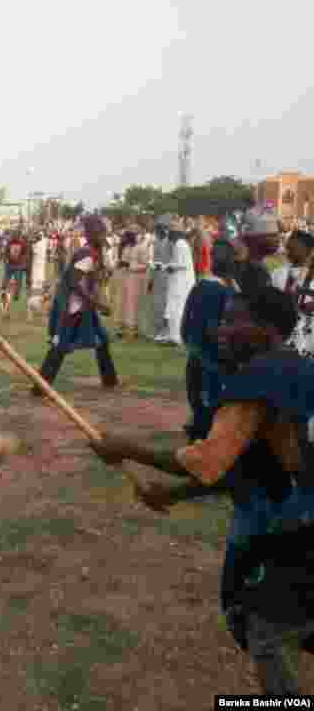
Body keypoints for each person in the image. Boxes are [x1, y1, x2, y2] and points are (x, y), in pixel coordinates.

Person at [90, 287, 314, 696]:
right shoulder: (297, 367)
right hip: (289, 517)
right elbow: (242, 466)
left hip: (289, 530)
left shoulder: (256, 382)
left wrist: (125, 449)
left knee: (265, 629)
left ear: (266, 329)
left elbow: (209, 460)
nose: (221, 330)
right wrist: (176, 495)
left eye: (234, 321)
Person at [34, 215, 118, 394]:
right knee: (60, 345)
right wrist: (99, 305)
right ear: (90, 234)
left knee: (102, 340)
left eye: (104, 232)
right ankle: (40, 387)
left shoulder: (95, 252)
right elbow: (73, 283)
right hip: (72, 307)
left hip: (84, 305)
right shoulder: (86, 254)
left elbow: (94, 278)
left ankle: (110, 379)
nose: (103, 236)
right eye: (100, 232)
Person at [180, 240, 239, 441]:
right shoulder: (216, 290)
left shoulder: (204, 286)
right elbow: (212, 329)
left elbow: (186, 327)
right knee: (208, 407)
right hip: (212, 360)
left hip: (200, 357)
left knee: (201, 405)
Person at [271, 229, 314, 357]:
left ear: (308, 249)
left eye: (294, 247)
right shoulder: (278, 273)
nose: (288, 250)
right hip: (283, 336)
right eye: (288, 246)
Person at [157, 219, 196, 346]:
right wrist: (165, 266)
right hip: (177, 281)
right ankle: (172, 336)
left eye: (170, 232)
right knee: (173, 309)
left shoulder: (180, 244)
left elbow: (181, 265)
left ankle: (177, 338)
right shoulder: (179, 244)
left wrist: (165, 267)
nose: (168, 235)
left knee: (177, 310)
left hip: (181, 282)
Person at [149, 214, 173, 340]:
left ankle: (166, 331)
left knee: (166, 304)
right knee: (157, 304)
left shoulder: (171, 242)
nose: (158, 231)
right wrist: (151, 278)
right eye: (157, 229)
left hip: (168, 277)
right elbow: (154, 260)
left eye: (161, 228)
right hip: (158, 277)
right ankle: (158, 330)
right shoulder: (156, 242)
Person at [2, 230, 29, 302]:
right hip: (9, 265)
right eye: (13, 235)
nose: (14, 237)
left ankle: (16, 296)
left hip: (18, 266)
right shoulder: (9, 242)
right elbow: (5, 252)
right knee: (5, 281)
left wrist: (22, 261)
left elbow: (25, 253)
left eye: (16, 235)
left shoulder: (23, 243)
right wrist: (5, 259)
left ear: (19, 236)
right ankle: (3, 294)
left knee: (18, 282)